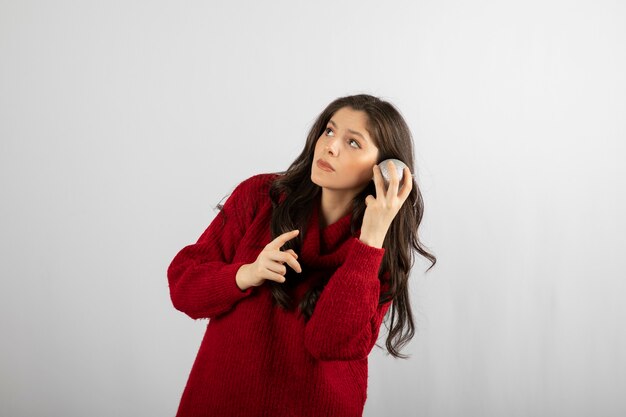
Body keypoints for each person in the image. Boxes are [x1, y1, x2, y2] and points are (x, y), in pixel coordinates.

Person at [167, 94, 436, 416]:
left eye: (353, 143)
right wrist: (247, 273)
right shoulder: (259, 195)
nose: (331, 147)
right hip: (219, 402)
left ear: (383, 170)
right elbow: (184, 289)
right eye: (330, 131)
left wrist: (370, 242)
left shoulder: (378, 251)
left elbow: (331, 343)